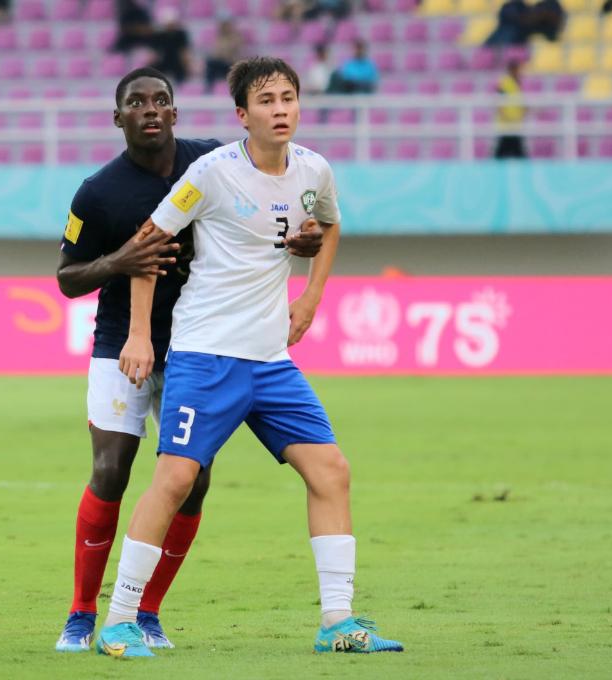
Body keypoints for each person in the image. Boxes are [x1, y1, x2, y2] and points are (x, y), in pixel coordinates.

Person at [96, 57, 402, 658]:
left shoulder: (314, 168)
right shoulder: (210, 174)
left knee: (331, 470)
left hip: (269, 361)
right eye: (267, 101)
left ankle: (337, 621)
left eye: (288, 97)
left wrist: (311, 294)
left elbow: (330, 225)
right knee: (177, 478)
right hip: (206, 355)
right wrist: (138, 335)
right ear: (243, 115)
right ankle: (120, 621)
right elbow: (147, 244)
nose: (281, 108)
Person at [53, 66, 326, 654]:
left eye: (161, 100)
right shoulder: (96, 192)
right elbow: (68, 278)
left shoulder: (214, 164)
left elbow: (266, 222)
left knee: (192, 481)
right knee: (112, 469)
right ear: (118, 117)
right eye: (136, 102)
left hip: (200, 342)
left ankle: (147, 612)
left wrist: (298, 241)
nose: (150, 109)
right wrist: (120, 260)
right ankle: (81, 612)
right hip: (123, 339)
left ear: (175, 113)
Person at [148, 7, 192, 84]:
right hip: (164, 60)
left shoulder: (181, 35)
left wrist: (187, 64)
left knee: (182, 74)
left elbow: (184, 51)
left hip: (177, 61)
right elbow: (154, 52)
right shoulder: (159, 35)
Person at [495, 60, 528, 159]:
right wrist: (505, 116)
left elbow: (518, 103)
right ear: (512, 70)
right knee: (514, 152)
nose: (519, 72)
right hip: (507, 124)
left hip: (515, 124)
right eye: (517, 70)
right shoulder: (505, 83)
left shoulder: (516, 84)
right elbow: (499, 102)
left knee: (504, 152)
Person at [204, 18, 245, 89]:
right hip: (221, 63)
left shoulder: (236, 37)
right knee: (210, 63)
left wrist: (223, 52)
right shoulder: (219, 38)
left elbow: (230, 51)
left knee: (212, 63)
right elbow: (217, 52)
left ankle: (209, 87)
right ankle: (209, 87)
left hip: (231, 64)